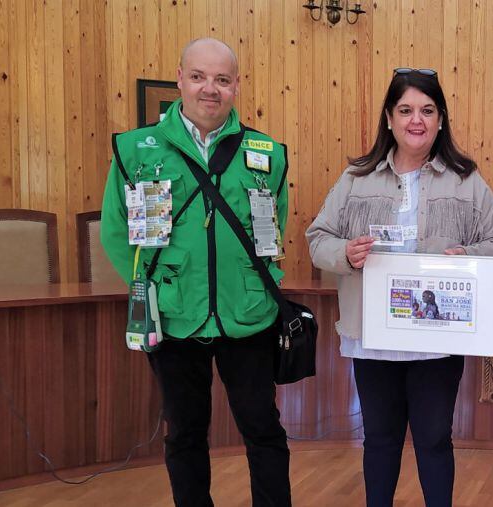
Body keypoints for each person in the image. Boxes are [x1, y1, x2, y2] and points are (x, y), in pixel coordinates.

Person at [100, 38, 292, 507]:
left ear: (237, 86)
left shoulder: (267, 151)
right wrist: (154, 289)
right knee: (184, 433)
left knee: (262, 429)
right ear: (181, 79)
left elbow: (274, 225)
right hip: (173, 315)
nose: (211, 89)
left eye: (223, 80)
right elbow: (114, 232)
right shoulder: (135, 149)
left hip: (246, 314)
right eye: (200, 77)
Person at [306, 67, 493, 507]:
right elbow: (318, 239)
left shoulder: (467, 180)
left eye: (427, 110)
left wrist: (470, 258)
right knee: (379, 438)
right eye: (406, 110)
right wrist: (347, 254)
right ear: (389, 117)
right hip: (373, 336)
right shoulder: (356, 178)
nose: (416, 120)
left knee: (435, 438)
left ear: (440, 119)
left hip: (437, 339)